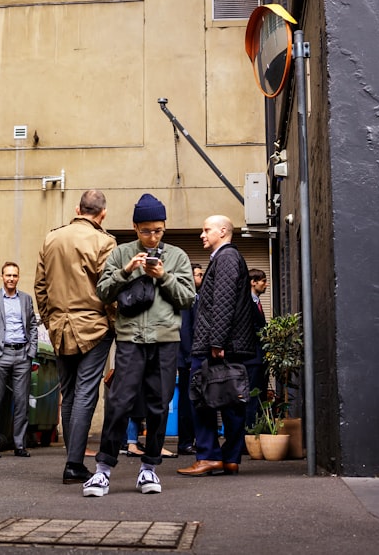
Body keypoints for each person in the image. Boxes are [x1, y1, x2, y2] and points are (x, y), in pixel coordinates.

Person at [86, 193, 195, 497]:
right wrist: (125, 272)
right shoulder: (121, 254)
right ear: (135, 227)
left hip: (165, 341)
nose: (152, 236)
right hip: (130, 339)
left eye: (158, 230)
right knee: (119, 403)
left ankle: (149, 468)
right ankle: (103, 471)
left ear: (164, 227)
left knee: (159, 406)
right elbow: (103, 293)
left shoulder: (177, 256)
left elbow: (187, 298)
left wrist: (164, 276)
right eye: (146, 230)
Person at [34, 189, 117, 485]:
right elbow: (109, 290)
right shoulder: (104, 241)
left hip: (59, 327)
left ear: (78, 208)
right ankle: (73, 464)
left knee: (68, 394)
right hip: (94, 326)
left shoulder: (51, 238)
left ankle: (73, 461)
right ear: (102, 213)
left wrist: (50, 319)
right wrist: (114, 322)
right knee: (85, 394)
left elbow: (40, 286)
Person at [178, 215, 255, 478]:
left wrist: (216, 342)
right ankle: (230, 458)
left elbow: (223, 302)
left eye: (206, 230)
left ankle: (209, 456)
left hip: (217, 345)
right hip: (226, 343)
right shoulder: (227, 258)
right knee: (231, 398)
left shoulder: (226, 258)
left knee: (202, 398)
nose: (202, 234)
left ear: (223, 231)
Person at [0, 261, 37, 458]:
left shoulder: (26, 299)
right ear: (2, 277)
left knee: (22, 401)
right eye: (8, 275)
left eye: (15, 275)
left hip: (22, 354)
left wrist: (31, 351)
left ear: (18, 277)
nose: (11, 279)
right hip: (0, 354)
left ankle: (19, 444)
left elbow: (32, 326)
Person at [175, 263, 203, 455]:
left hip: (191, 357)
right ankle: (185, 442)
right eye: (198, 275)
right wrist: (188, 357)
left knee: (193, 400)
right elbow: (185, 329)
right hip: (188, 359)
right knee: (187, 402)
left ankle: (190, 440)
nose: (201, 278)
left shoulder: (196, 297)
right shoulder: (186, 298)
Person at [244, 268, 269, 430]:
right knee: (252, 396)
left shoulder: (256, 302)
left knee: (260, 395)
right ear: (253, 282)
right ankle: (250, 432)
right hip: (253, 358)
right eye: (263, 281)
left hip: (259, 358)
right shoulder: (247, 302)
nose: (265, 284)